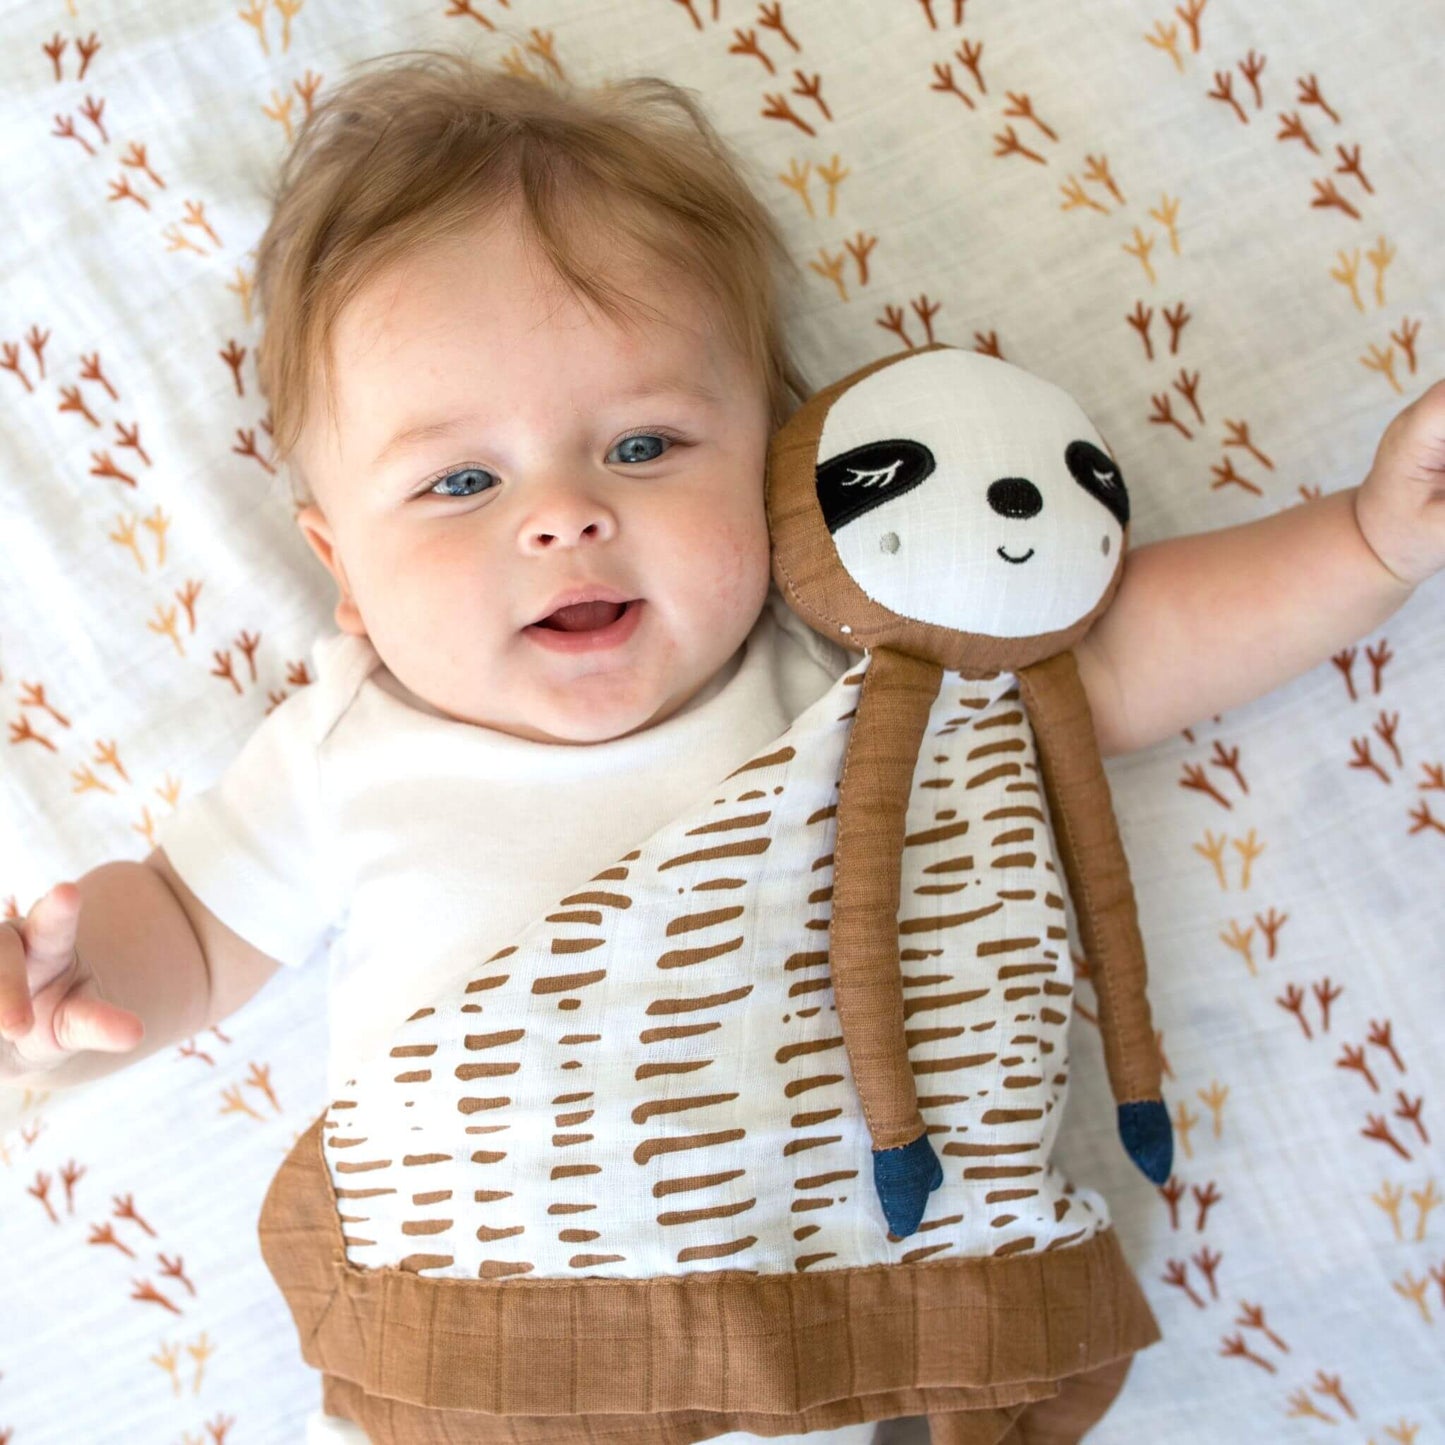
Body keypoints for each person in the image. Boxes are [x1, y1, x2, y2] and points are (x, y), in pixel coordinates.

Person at [2, 47, 1442, 1445]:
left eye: (643, 446)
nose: (562, 513)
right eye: (458, 479)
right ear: (342, 563)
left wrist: (1366, 539)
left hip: (801, 1344)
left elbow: (1113, 651)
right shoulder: (345, 744)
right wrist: (83, 968)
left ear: (769, 459)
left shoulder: (842, 672)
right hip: (484, 1375)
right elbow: (193, 928)